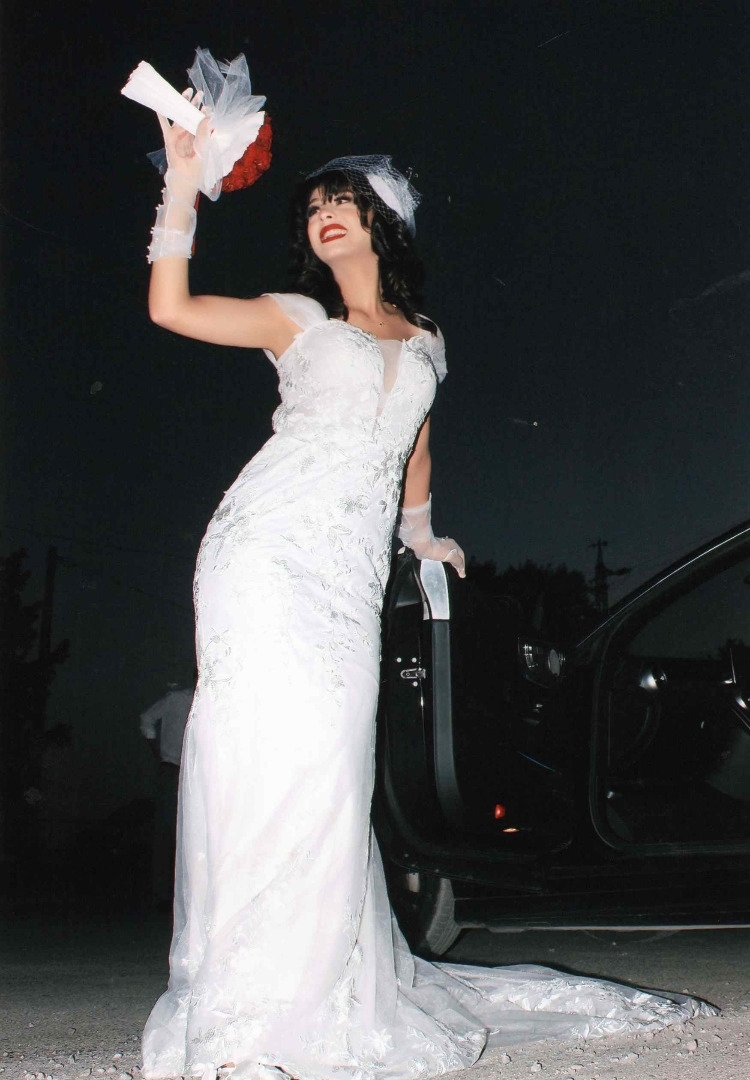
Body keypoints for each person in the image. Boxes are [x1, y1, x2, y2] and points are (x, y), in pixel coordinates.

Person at [140, 103, 713, 1080]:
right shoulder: (298, 318)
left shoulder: (427, 340)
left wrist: (420, 533)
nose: (325, 213)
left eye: (344, 200)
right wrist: (182, 184)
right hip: (262, 555)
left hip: (348, 575)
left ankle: (317, 985)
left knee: (331, 767)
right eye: (313, 205)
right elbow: (172, 309)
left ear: (385, 222)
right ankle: (244, 1008)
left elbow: (415, 447)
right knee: (258, 760)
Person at [140, 682, 194, 908]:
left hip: (199, 774)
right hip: (173, 769)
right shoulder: (177, 699)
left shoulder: (215, 704)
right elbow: (146, 719)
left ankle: (190, 893)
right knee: (167, 831)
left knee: (194, 833)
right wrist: (159, 755)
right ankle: (162, 894)